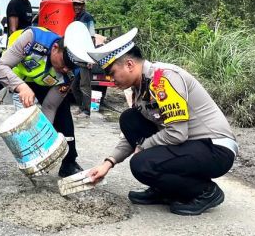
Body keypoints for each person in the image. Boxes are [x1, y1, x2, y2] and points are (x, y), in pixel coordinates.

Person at [88, 29, 238, 216]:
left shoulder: (163, 79)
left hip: (215, 149)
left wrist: (143, 147)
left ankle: (205, 191)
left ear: (129, 64)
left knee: (141, 164)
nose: (110, 80)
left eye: (112, 73)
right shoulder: (141, 86)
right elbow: (132, 136)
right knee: (129, 119)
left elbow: (177, 133)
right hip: (190, 145)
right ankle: (165, 189)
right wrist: (108, 163)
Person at [0, 21, 95, 181]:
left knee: (62, 110)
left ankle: (69, 163)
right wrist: (20, 86)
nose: (65, 70)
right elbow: (0, 68)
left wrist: (41, 142)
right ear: (56, 48)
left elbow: (50, 106)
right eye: (64, 64)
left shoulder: (70, 71)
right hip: (9, 67)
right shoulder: (34, 38)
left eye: (70, 68)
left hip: (40, 79)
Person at [70, 0, 96, 117]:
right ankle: (81, 107)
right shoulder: (76, 18)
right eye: (75, 4)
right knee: (75, 86)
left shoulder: (87, 18)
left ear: (83, 5)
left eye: (79, 4)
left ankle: (86, 111)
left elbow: (91, 38)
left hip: (85, 57)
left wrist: (90, 58)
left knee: (84, 85)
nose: (77, 6)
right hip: (77, 56)